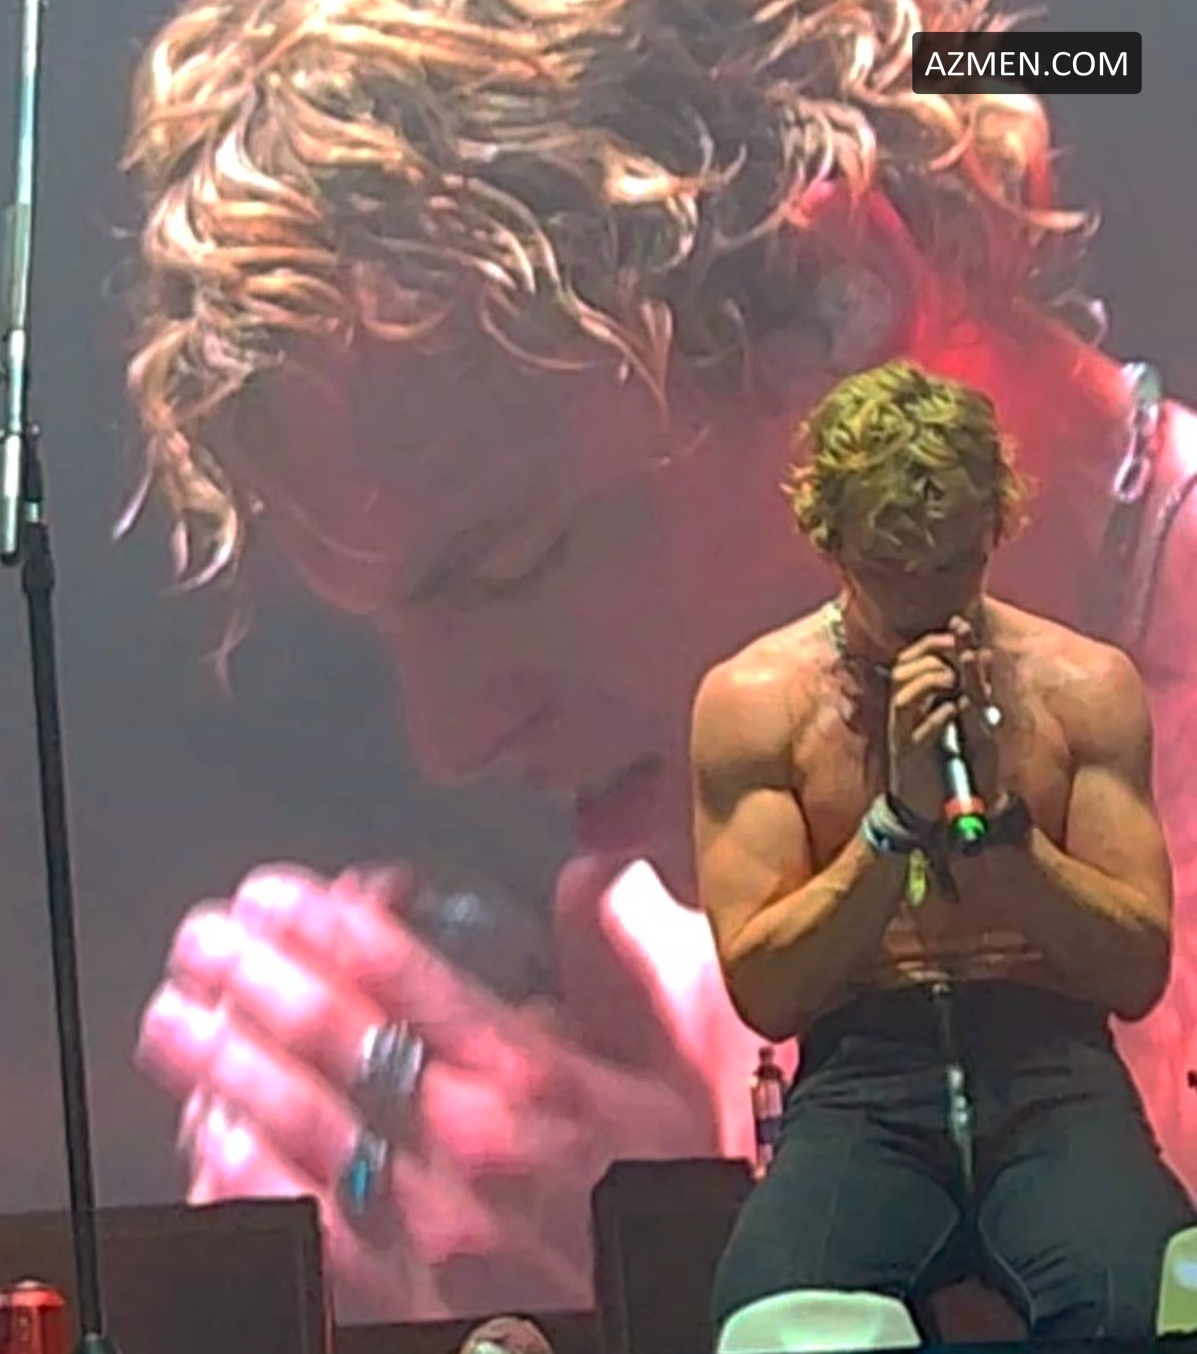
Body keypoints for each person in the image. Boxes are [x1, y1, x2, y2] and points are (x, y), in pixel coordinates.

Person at [121, 0, 1197, 1324]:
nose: (448, 739)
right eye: (389, 625)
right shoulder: (667, 954)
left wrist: (676, 1281)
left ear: (836, 289)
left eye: (513, 563)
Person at [692, 359, 1195, 1341]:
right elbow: (767, 989)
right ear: (830, 540)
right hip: (861, 1080)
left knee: (1157, 1311)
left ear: (996, 529)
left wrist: (1003, 833)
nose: (926, 601)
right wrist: (890, 826)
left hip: (1050, 1066)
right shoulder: (757, 700)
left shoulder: (1082, 685)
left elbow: (1135, 970)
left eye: (953, 566)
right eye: (892, 571)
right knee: (775, 1326)